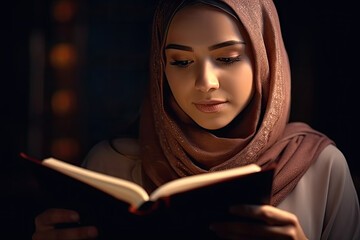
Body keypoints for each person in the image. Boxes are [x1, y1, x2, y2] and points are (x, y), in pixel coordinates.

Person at [32, 0, 360, 239]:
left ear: (265, 58)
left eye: (227, 58)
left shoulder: (320, 168)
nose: (206, 82)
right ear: (160, 67)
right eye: (181, 61)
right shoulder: (111, 165)